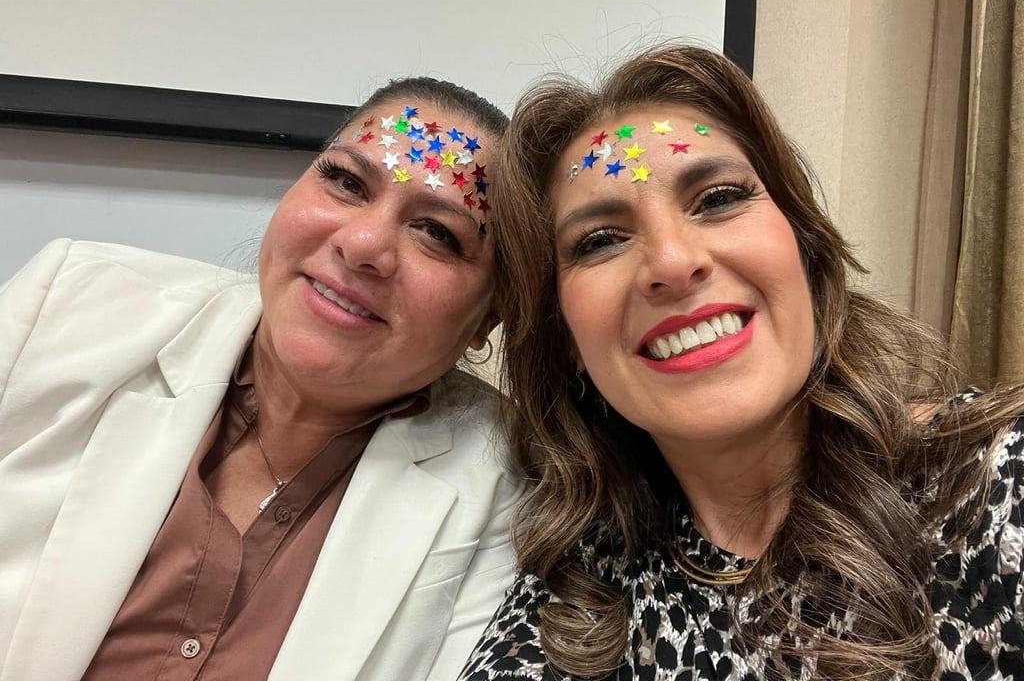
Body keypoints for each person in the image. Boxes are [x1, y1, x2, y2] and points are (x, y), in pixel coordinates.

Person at [458, 45, 1024, 681]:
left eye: (718, 198)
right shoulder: (577, 589)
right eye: (601, 240)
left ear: (804, 250)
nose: (673, 263)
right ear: (565, 338)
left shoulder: (997, 486)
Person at [0, 77, 522, 681]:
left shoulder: (512, 493)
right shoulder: (68, 306)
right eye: (347, 182)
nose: (362, 245)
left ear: (490, 317)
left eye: (437, 232)